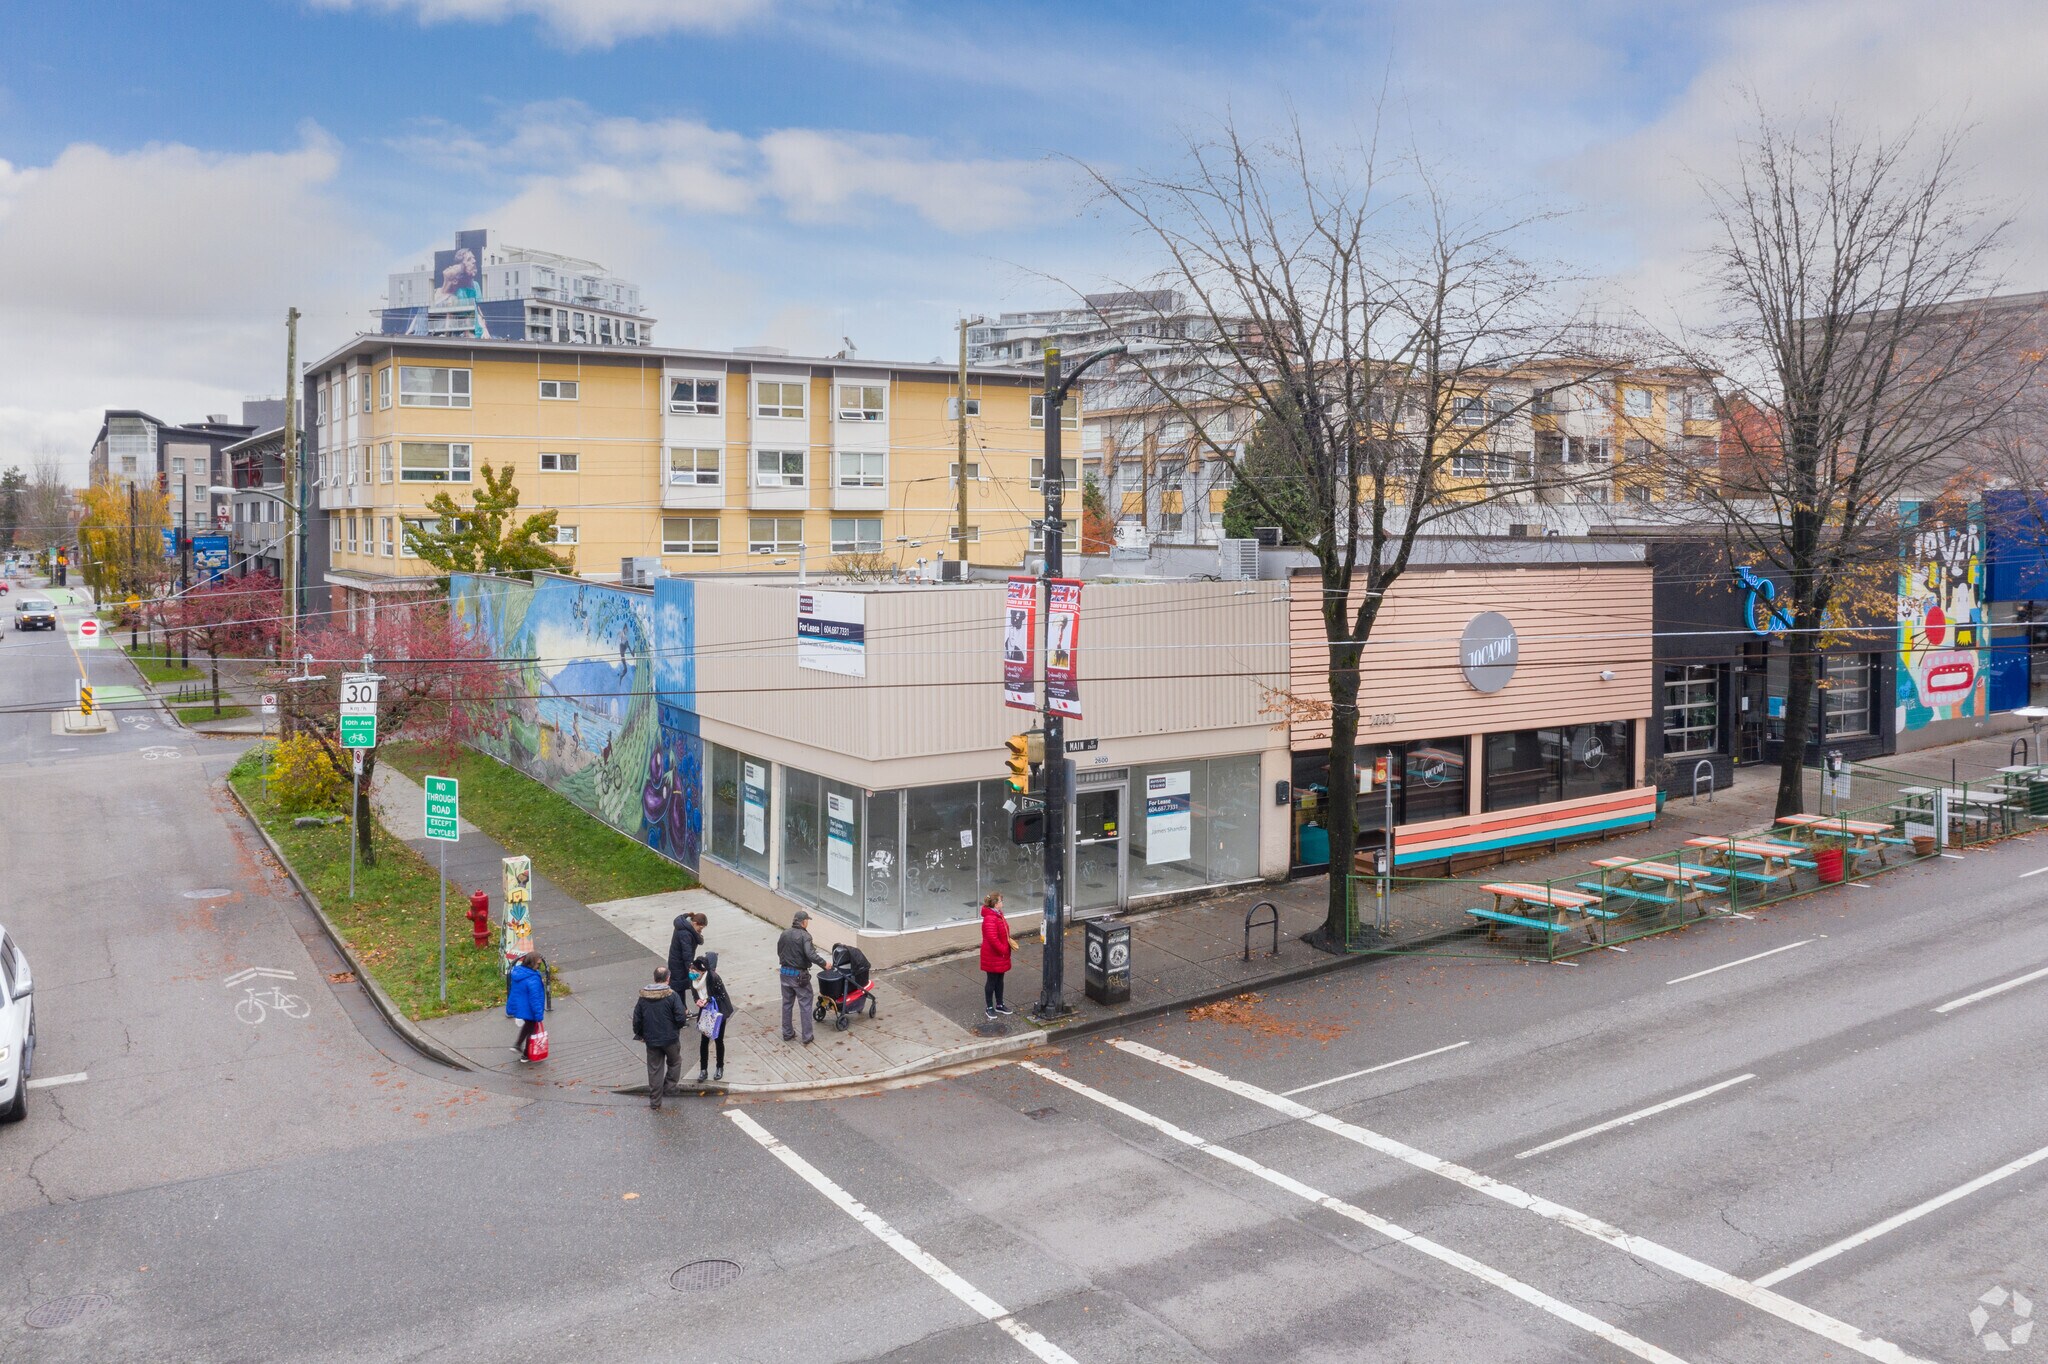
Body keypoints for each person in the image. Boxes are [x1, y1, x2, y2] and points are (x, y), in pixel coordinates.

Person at [631, 965, 689, 1110]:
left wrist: (640, 1034)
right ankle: (669, 1087)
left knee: (654, 1070)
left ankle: (655, 1102)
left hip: (651, 1040)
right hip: (670, 1039)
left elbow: (637, 1019)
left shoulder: (643, 997)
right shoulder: (672, 996)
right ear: (668, 979)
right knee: (675, 1062)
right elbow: (681, 1017)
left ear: (654, 978)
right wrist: (676, 1028)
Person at [776, 909, 828, 1044]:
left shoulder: (784, 933)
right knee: (805, 1004)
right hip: (799, 976)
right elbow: (811, 954)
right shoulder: (805, 936)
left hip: (784, 973)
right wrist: (824, 964)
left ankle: (787, 1033)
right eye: (807, 921)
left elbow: (779, 951)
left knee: (787, 1004)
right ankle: (807, 1036)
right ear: (804, 922)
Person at [694, 952, 733, 1082]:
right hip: (705, 1011)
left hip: (718, 1011)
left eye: (695, 971)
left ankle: (719, 1067)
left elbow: (721, 995)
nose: (693, 973)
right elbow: (695, 994)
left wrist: (708, 999)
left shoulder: (714, 978)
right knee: (704, 1041)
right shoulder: (694, 981)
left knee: (718, 1040)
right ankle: (703, 1069)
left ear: (703, 971)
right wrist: (698, 1001)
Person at [505, 952, 548, 1061]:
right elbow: (535, 998)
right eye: (538, 964)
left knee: (528, 1026)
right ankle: (526, 1054)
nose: (539, 966)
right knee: (532, 1030)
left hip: (521, 1008)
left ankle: (518, 1044)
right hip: (530, 1009)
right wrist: (538, 1014)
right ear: (532, 963)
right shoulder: (533, 978)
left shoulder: (519, 973)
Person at [979, 892, 1015, 1019]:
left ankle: (1000, 1004)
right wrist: (1003, 949)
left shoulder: (998, 915)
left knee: (1000, 980)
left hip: (1000, 954)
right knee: (992, 981)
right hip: (993, 955)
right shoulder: (990, 918)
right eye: (1000, 901)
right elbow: (992, 939)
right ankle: (989, 1007)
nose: (1002, 903)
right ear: (995, 904)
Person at [667, 911, 705, 1012]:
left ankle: (683, 1010)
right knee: (679, 988)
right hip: (678, 964)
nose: (701, 931)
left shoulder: (684, 927)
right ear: (694, 923)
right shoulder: (685, 933)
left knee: (680, 987)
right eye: (700, 928)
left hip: (677, 962)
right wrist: (691, 967)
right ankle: (682, 1012)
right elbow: (687, 953)